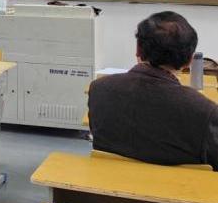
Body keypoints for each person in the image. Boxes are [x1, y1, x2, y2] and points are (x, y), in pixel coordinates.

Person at [89, 11, 218, 170]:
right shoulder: (205, 111)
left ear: (138, 50)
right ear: (189, 61)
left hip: (109, 181)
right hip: (177, 185)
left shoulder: (98, 89)